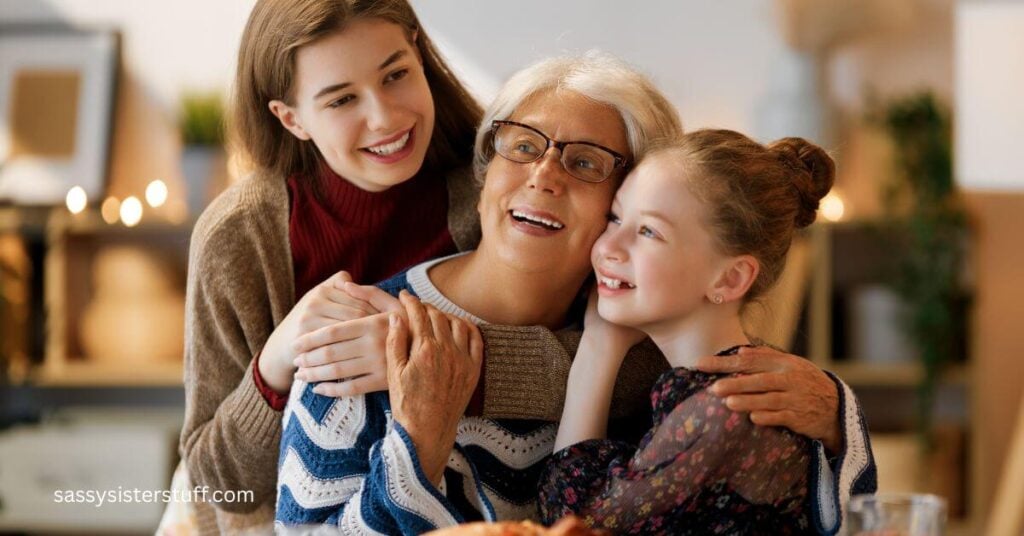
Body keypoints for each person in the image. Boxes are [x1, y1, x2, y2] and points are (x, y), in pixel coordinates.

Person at [276, 55, 875, 534]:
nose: (544, 174)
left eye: (587, 163)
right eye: (523, 145)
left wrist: (835, 415)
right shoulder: (361, 340)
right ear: (486, 169)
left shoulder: (656, 341)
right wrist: (415, 452)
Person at [178, 1, 660, 532]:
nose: (384, 117)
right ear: (291, 118)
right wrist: (277, 361)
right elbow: (214, 482)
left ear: (418, 53)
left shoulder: (499, 173)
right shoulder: (241, 235)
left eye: (396, 74)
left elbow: (640, 360)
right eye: (341, 99)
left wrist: (451, 364)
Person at [538, 131, 878, 535]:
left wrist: (598, 349)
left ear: (730, 278)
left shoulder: (726, 408)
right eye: (615, 217)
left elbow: (573, 522)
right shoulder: (712, 391)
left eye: (649, 231)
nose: (609, 246)